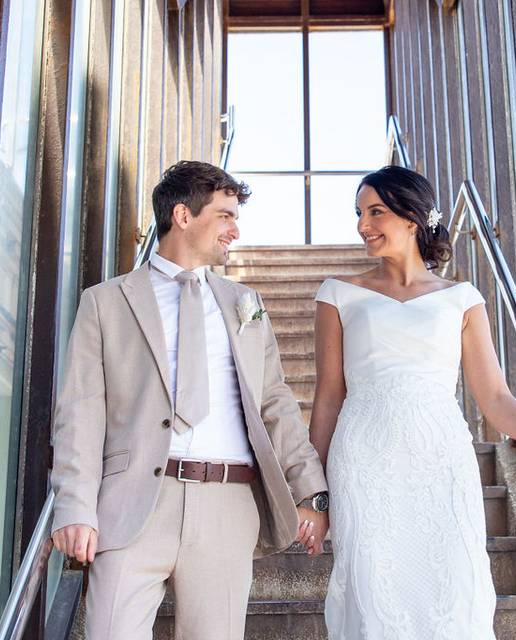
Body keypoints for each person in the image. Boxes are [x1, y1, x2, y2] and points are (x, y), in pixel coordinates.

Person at [308, 165, 516, 638]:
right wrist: (315, 494)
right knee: (372, 596)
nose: (363, 225)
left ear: (411, 217)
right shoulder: (339, 294)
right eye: (360, 213)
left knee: (453, 593)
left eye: (376, 212)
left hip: (440, 463)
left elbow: (494, 396)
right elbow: (327, 398)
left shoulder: (461, 298)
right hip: (364, 462)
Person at [49, 160, 329, 639]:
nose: (234, 230)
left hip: (227, 504)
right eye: (224, 216)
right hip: (132, 504)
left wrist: (312, 492)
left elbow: (275, 404)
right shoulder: (106, 302)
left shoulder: (246, 302)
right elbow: (80, 411)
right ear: (183, 216)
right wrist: (75, 504)